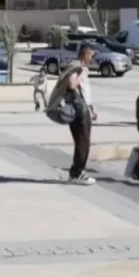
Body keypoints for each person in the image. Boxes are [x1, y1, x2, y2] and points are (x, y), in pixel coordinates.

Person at [47, 46, 98, 184]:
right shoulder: (76, 67)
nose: (93, 59)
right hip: (79, 111)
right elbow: (71, 85)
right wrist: (81, 74)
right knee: (83, 142)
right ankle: (77, 173)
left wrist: (92, 107)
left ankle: (76, 173)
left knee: (83, 141)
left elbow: (84, 91)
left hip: (83, 109)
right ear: (85, 55)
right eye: (92, 56)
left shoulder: (81, 67)